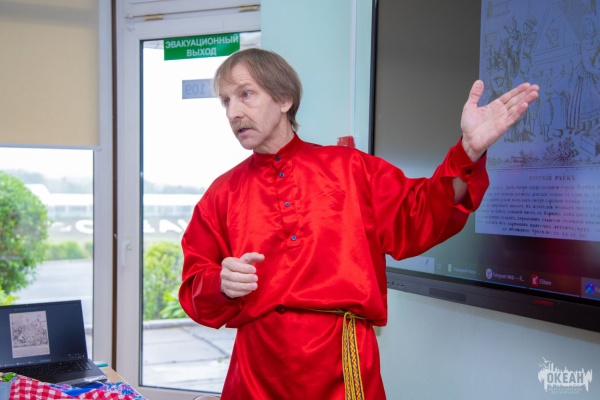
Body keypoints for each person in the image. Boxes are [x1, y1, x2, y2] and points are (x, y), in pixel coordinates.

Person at [179, 48, 539, 399]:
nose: (234, 112)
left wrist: (469, 151)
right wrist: (220, 284)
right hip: (256, 373)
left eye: (245, 95)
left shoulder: (351, 168)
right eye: (226, 101)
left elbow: (422, 213)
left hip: (341, 366)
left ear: (285, 98)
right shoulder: (221, 194)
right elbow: (195, 287)